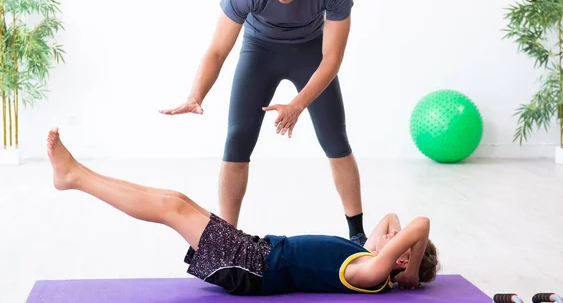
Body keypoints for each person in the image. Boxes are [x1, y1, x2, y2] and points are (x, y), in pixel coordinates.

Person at [46, 127, 440, 296]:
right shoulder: (370, 254)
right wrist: (405, 261)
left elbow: (419, 224)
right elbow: (392, 218)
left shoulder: (370, 273)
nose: (391, 233)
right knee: (175, 198)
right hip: (255, 251)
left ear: (401, 258)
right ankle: (76, 173)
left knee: (170, 207)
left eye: (398, 245)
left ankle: (74, 177)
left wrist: (408, 271)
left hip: (252, 268)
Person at [159, 0, 367, 245]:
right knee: (238, 138)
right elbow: (217, 49)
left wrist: (297, 105)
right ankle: (227, 239)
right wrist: (195, 95)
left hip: (311, 53)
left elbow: (332, 59)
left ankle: (358, 234)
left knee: (335, 138)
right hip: (259, 51)